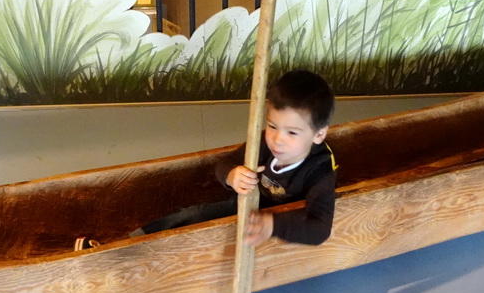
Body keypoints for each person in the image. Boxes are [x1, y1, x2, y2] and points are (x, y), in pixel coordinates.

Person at [139, 69, 337, 246]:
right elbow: (224, 164)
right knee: (194, 213)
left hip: (287, 223)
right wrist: (231, 175)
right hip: (247, 205)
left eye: (292, 133)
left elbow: (319, 229)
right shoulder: (263, 143)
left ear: (319, 134)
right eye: (273, 126)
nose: (277, 140)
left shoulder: (321, 170)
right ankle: (138, 239)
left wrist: (273, 225)